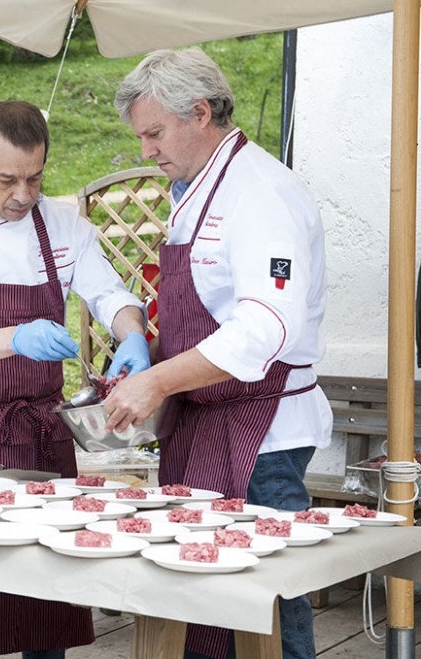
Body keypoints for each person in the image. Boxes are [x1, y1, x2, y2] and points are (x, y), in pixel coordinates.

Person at [105, 49, 333, 659]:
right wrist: (149, 353)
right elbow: (209, 307)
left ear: (201, 113)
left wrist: (158, 382)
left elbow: (266, 323)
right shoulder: (196, 188)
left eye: (155, 133)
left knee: (266, 598)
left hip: (262, 434)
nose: (146, 150)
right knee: (204, 593)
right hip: (204, 424)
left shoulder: (261, 192)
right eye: (141, 136)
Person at [0, 100, 149, 659]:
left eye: (35, 178)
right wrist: (15, 337)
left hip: (44, 431)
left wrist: (132, 335)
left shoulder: (64, 226)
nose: (23, 194)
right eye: (7, 180)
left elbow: (110, 295)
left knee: (48, 594)